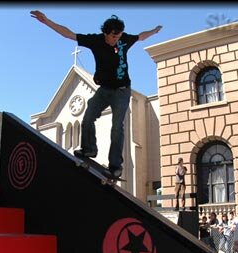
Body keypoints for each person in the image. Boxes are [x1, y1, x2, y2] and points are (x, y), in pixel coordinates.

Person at [31, 11, 162, 178]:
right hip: (104, 90)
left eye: (119, 36)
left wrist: (154, 30)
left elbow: (141, 36)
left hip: (122, 91)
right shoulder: (95, 41)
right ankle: (89, 149)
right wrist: (47, 21)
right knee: (88, 117)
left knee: (117, 127)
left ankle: (115, 166)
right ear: (106, 33)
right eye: (114, 37)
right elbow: (69, 35)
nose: (117, 40)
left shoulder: (124, 39)